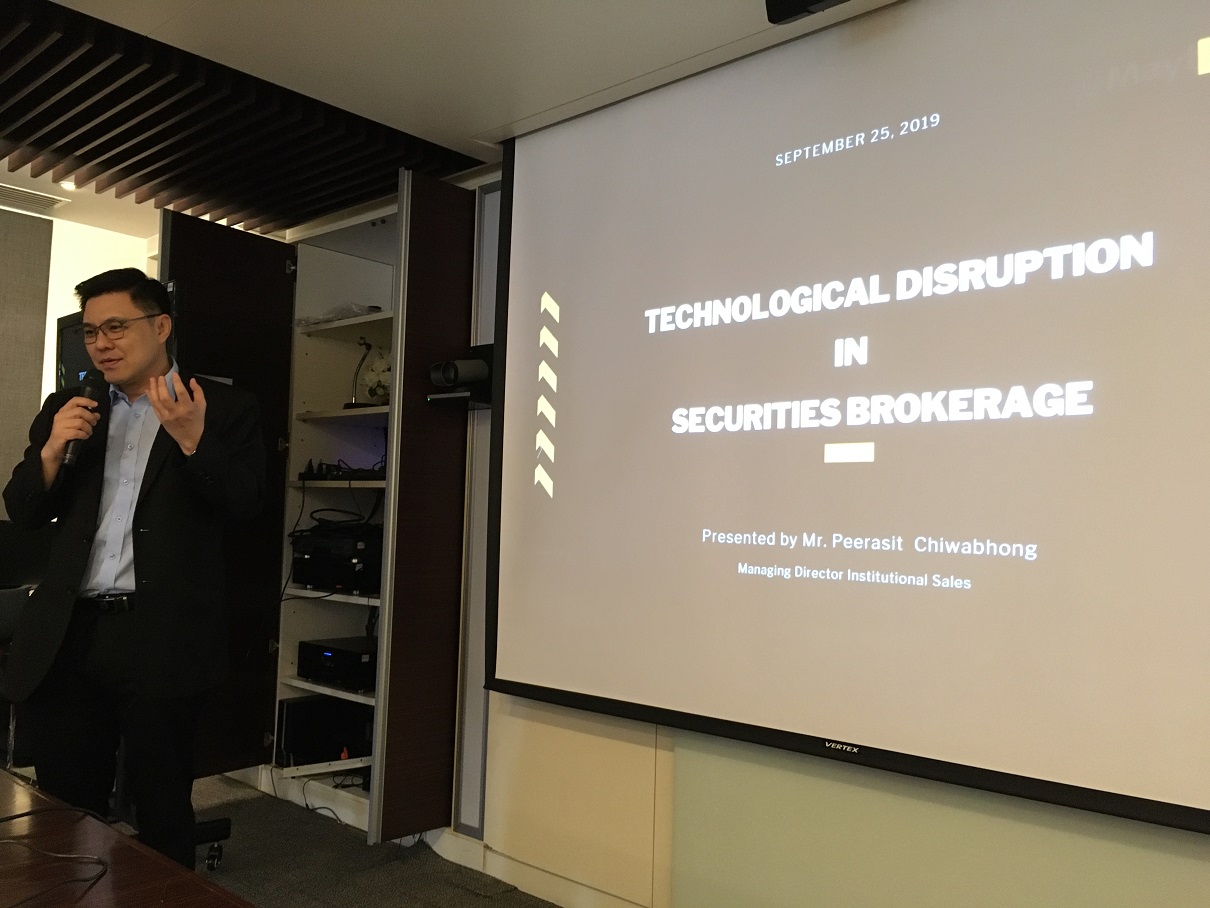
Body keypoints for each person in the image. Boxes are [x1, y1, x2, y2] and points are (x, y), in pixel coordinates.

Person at [2, 268, 265, 868]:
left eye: (116, 327)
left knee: (162, 802)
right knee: (66, 803)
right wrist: (51, 452)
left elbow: (247, 506)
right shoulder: (71, 408)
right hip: (73, 630)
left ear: (161, 325)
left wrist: (195, 441)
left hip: (162, 633)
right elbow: (23, 509)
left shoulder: (222, 407)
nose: (101, 344)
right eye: (91, 331)